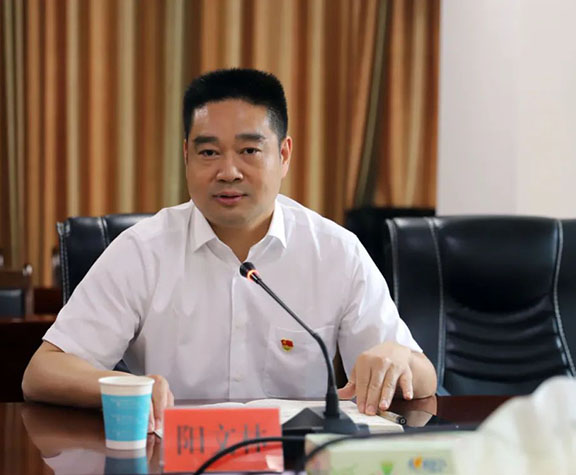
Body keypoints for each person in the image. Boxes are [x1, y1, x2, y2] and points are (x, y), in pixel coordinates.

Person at [22, 68, 437, 432]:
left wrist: (396, 357)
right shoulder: (142, 251)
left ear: (284, 155)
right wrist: (126, 387)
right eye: (208, 152)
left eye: (249, 151)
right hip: (177, 459)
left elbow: (423, 377)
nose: (228, 171)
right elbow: (43, 371)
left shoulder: (335, 252)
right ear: (186, 156)